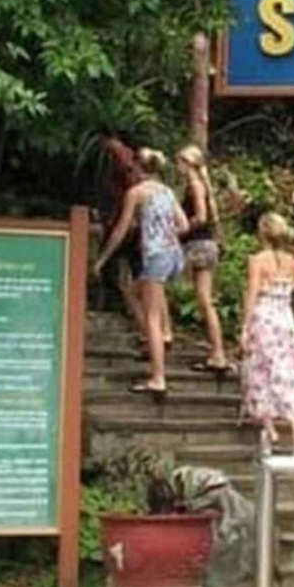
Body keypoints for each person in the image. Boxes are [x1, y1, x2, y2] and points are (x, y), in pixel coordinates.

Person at [93, 148, 188, 395]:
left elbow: (120, 230)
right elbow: (184, 224)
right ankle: (161, 335)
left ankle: (158, 377)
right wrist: (166, 234)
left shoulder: (136, 193)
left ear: (138, 168)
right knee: (132, 289)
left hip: (155, 255)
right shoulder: (167, 191)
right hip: (174, 255)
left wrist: (103, 259)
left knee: (152, 317)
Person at [239, 213, 294, 448]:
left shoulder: (257, 260)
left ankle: (270, 428)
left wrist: (245, 325)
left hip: (265, 317)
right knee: (285, 369)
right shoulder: (291, 261)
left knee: (260, 370)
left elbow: (253, 292)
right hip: (285, 319)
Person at [176, 145, 228, 372]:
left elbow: (201, 216)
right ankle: (218, 352)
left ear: (188, 163)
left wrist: (179, 230)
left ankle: (163, 334)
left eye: (180, 162)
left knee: (157, 281)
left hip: (196, 244)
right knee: (205, 301)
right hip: (207, 244)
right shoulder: (201, 185)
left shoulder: (195, 185)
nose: (177, 167)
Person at [99, 132, 146, 346]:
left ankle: (123, 304)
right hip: (124, 219)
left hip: (127, 223)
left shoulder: (123, 159)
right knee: (134, 268)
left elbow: (128, 179)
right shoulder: (121, 160)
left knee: (116, 261)